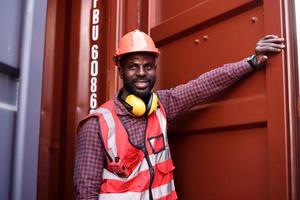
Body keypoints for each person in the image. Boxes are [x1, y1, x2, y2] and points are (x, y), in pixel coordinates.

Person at [73, 29, 285, 200]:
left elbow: (204, 85)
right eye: (132, 67)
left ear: (155, 68)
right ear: (120, 71)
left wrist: (251, 61)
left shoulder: (162, 105)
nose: (141, 73)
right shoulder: (96, 124)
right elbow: (85, 191)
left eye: (148, 66)